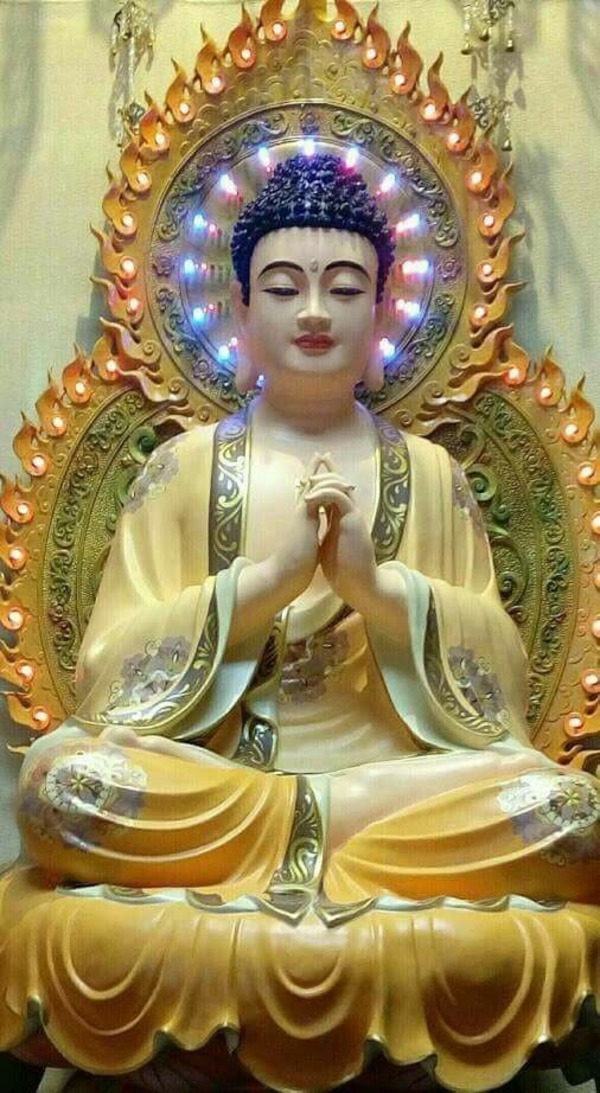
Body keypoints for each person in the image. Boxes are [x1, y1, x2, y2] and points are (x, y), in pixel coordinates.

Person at [15, 153, 600, 904]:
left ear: (383, 311)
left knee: (568, 811)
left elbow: (501, 681)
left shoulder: (431, 474)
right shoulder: (183, 469)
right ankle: (338, 847)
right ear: (241, 309)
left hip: (397, 785)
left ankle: (302, 838)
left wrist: (377, 589)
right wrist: (265, 584)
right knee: (62, 788)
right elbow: (105, 673)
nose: (316, 312)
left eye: (345, 289)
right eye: (285, 288)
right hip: (221, 783)